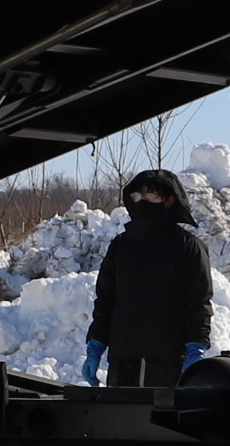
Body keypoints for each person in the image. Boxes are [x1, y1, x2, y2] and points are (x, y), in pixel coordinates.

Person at [85, 168, 212, 392]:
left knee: (163, 424)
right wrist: (96, 344)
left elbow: (198, 303)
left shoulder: (187, 247)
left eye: (151, 195)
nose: (142, 200)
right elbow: (106, 300)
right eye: (138, 195)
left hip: (169, 362)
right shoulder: (121, 246)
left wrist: (195, 348)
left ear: (170, 200)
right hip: (124, 359)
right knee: (121, 423)